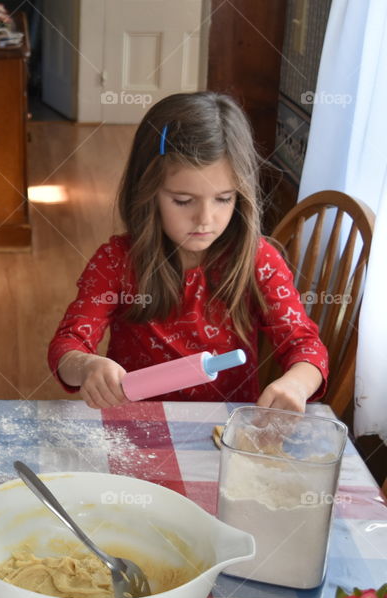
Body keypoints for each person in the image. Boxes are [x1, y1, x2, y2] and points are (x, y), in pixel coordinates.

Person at [48, 92, 327, 412]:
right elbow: (67, 345)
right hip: (134, 423)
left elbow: (305, 346)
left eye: (224, 199)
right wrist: (87, 367)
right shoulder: (116, 262)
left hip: (223, 430)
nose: (205, 220)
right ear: (148, 192)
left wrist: (296, 382)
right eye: (183, 200)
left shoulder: (258, 261)